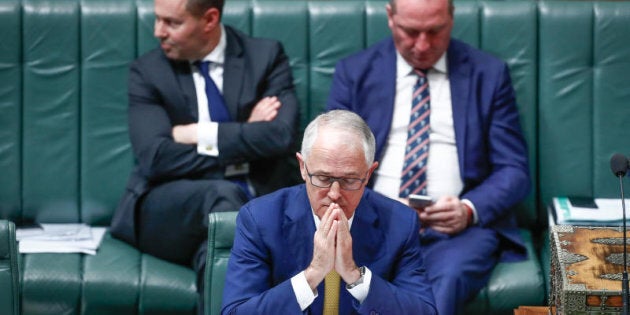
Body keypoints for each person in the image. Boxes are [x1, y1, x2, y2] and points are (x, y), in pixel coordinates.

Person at [326, 0, 531, 314]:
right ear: (390, 18)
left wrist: (468, 209)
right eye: (411, 32)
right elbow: (332, 163)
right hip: (373, 221)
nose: (423, 45)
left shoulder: (487, 74)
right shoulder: (354, 73)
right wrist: (376, 207)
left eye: (435, 31)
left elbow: (514, 170)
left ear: (451, 19)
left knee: (445, 281)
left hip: (458, 232)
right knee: (351, 278)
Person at [109, 0, 299, 312]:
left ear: (209, 19)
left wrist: (198, 133)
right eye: (157, 20)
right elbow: (155, 157)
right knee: (223, 197)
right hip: (167, 206)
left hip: (250, 202)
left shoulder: (265, 57)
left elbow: (280, 136)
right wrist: (246, 133)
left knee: (215, 253)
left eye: (172, 23)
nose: (158, 32)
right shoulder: (148, 71)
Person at [222, 110, 437, 314]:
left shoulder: (400, 223)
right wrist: (312, 274)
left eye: (349, 180)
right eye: (323, 179)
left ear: (369, 173)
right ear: (303, 168)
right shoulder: (260, 219)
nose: (334, 194)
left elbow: (425, 311)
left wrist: (355, 276)